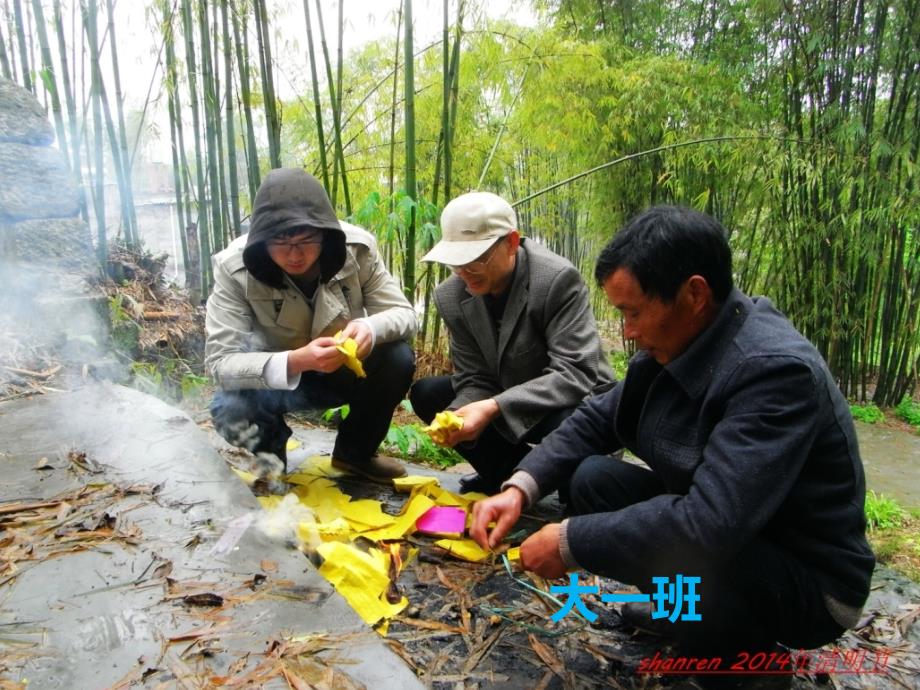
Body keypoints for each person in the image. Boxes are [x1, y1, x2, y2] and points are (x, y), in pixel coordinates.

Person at [471, 205, 875, 682]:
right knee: (595, 480)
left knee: (689, 545)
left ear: (695, 294)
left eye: (634, 312)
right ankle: (683, 611)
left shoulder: (774, 371)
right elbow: (597, 418)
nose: (629, 331)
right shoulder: (678, 342)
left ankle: (746, 664)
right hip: (743, 535)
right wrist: (519, 488)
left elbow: (708, 525)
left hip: (808, 581)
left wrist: (570, 541)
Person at [205, 168, 416, 481]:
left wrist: (370, 328)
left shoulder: (356, 249)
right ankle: (272, 460)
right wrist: (295, 360)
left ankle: (354, 454)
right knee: (228, 407)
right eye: (280, 241)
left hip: (342, 372)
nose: (295, 254)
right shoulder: (233, 267)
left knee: (398, 358)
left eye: (306, 240)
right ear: (261, 239)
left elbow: (404, 313)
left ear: (325, 234)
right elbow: (220, 363)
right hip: (275, 384)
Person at [410, 191, 615, 494]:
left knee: (579, 465)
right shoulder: (450, 295)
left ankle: (551, 477)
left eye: (475, 260)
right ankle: (507, 474)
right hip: (505, 391)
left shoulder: (556, 279)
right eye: (455, 262)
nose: (464, 272)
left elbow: (575, 372)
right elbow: (474, 377)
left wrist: (493, 407)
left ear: (511, 242)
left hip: (570, 400)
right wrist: (458, 417)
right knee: (429, 394)